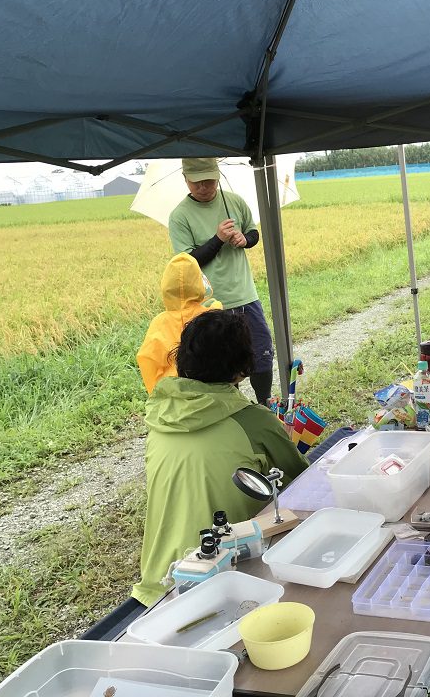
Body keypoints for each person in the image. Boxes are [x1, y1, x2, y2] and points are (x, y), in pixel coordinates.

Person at [131, 309, 307, 606]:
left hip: (157, 586)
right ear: (242, 368)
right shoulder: (253, 422)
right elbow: (302, 483)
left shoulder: (160, 419)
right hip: (220, 582)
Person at [168, 157, 275, 404]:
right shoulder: (180, 216)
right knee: (222, 362)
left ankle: (264, 405)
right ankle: (233, 408)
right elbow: (189, 262)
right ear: (185, 179)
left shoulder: (233, 201)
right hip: (211, 303)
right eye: (197, 183)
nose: (204, 187)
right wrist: (217, 239)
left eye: (209, 181)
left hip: (246, 294)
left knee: (261, 353)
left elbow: (253, 232)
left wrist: (244, 239)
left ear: (217, 176)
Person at [136, 252, 221, 394]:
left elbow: (147, 359)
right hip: (210, 391)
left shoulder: (159, 323)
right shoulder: (211, 314)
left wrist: (156, 393)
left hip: (173, 393)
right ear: (199, 283)